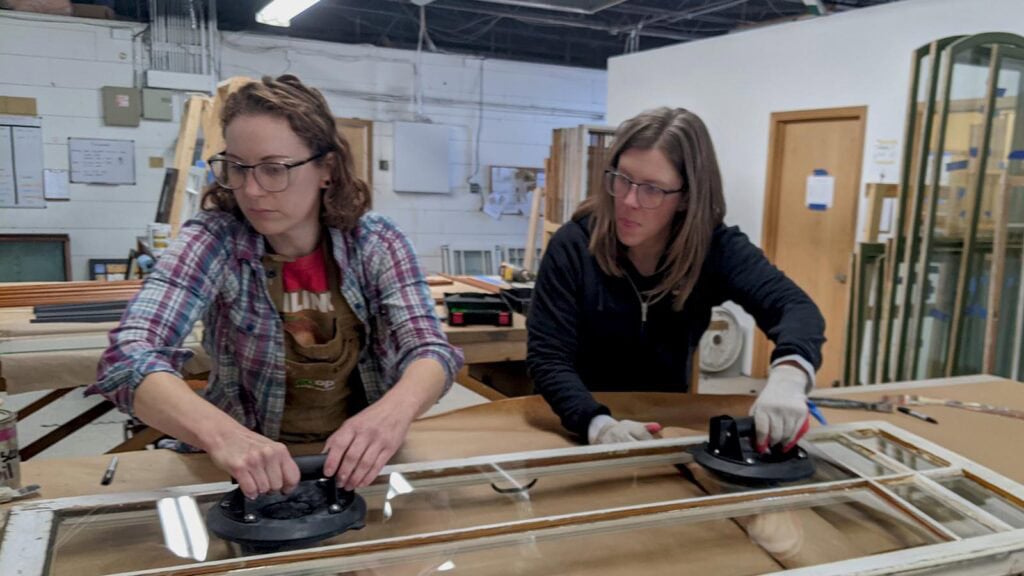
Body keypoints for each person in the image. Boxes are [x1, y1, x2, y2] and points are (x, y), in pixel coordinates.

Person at [88, 75, 463, 499]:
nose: (251, 190)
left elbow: (431, 351)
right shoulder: (215, 240)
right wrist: (224, 436)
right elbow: (128, 356)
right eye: (237, 166)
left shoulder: (375, 242)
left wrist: (392, 415)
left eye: (274, 168)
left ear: (327, 168)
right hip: (243, 468)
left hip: (356, 463)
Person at [526, 107, 825, 452]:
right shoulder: (574, 244)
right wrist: (598, 425)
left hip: (663, 425)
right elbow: (548, 357)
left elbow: (795, 307)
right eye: (622, 178)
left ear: (687, 198)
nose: (628, 200)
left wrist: (789, 375)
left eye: (652, 189)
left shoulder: (715, 248)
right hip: (575, 424)